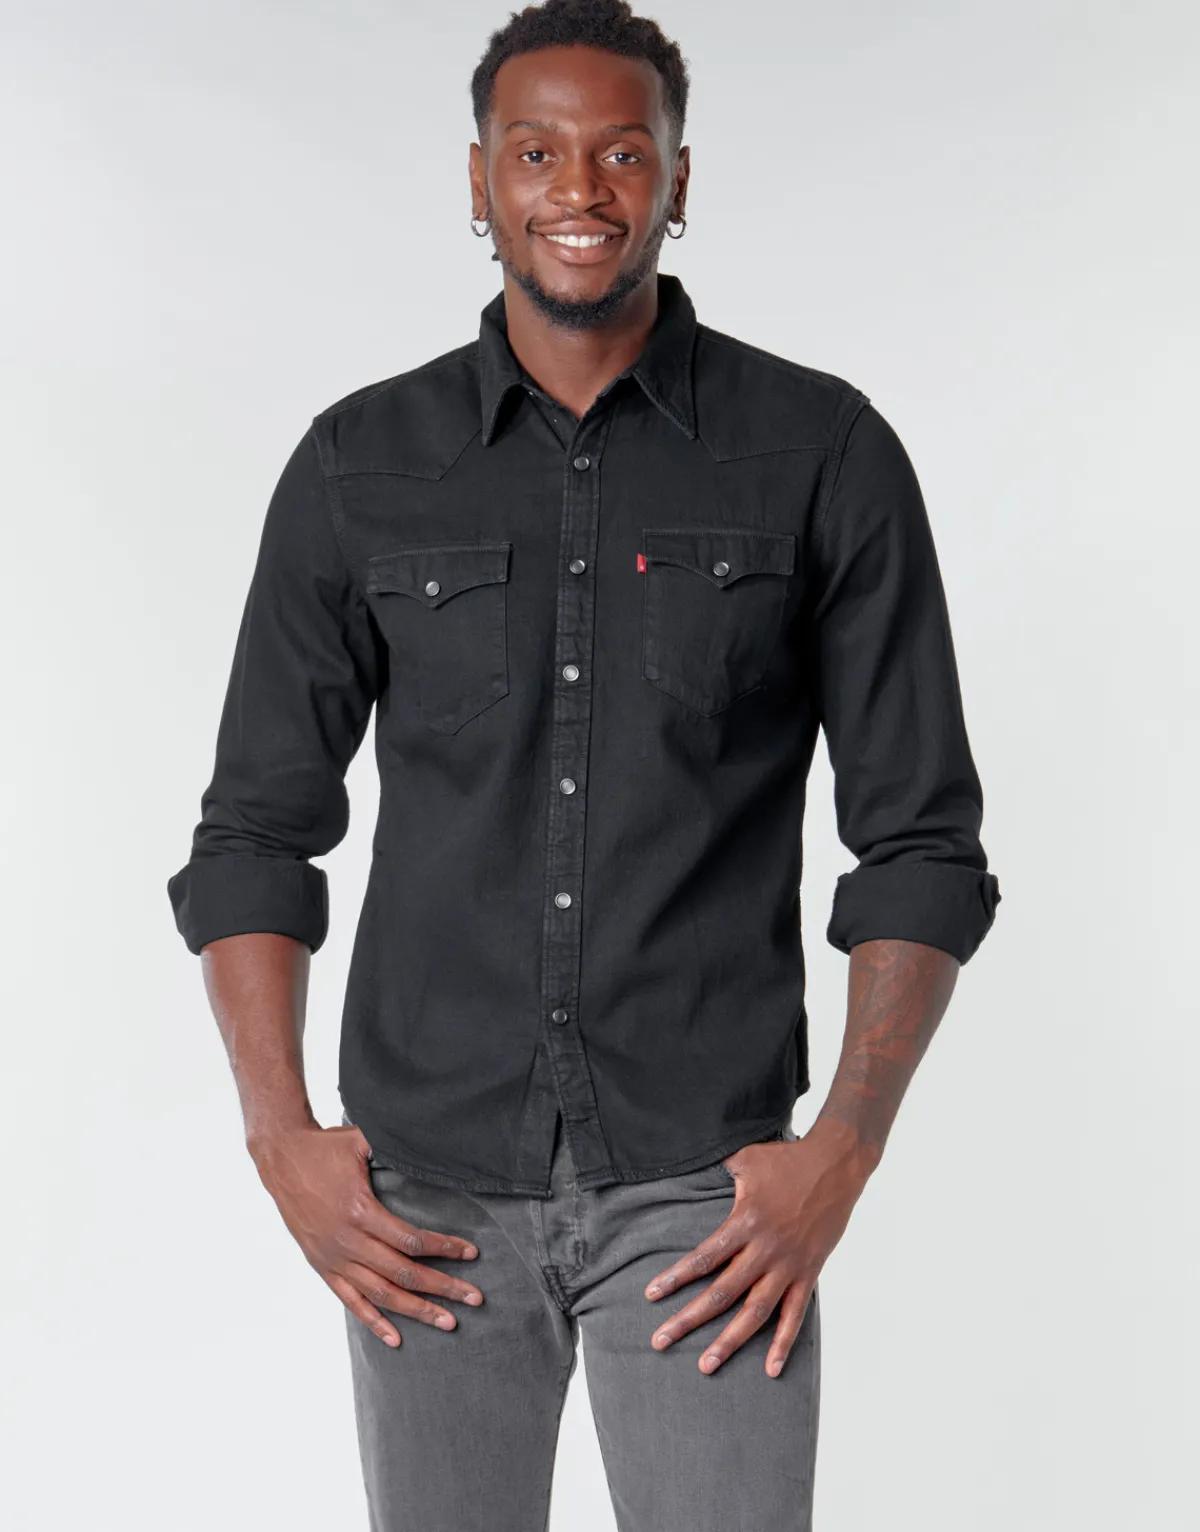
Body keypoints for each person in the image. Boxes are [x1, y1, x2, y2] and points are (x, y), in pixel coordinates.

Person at [166, 1, 1000, 1526]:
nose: (581, 189)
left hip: (705, 1200)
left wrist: (842, 1153)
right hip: (423, 1202)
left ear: (680, 181)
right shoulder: (360, 463)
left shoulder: (821, 452)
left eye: (624, 152)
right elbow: (255, 836)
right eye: (537, 151)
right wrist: (281, 1140)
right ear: (477, 181)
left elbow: (922, 846)